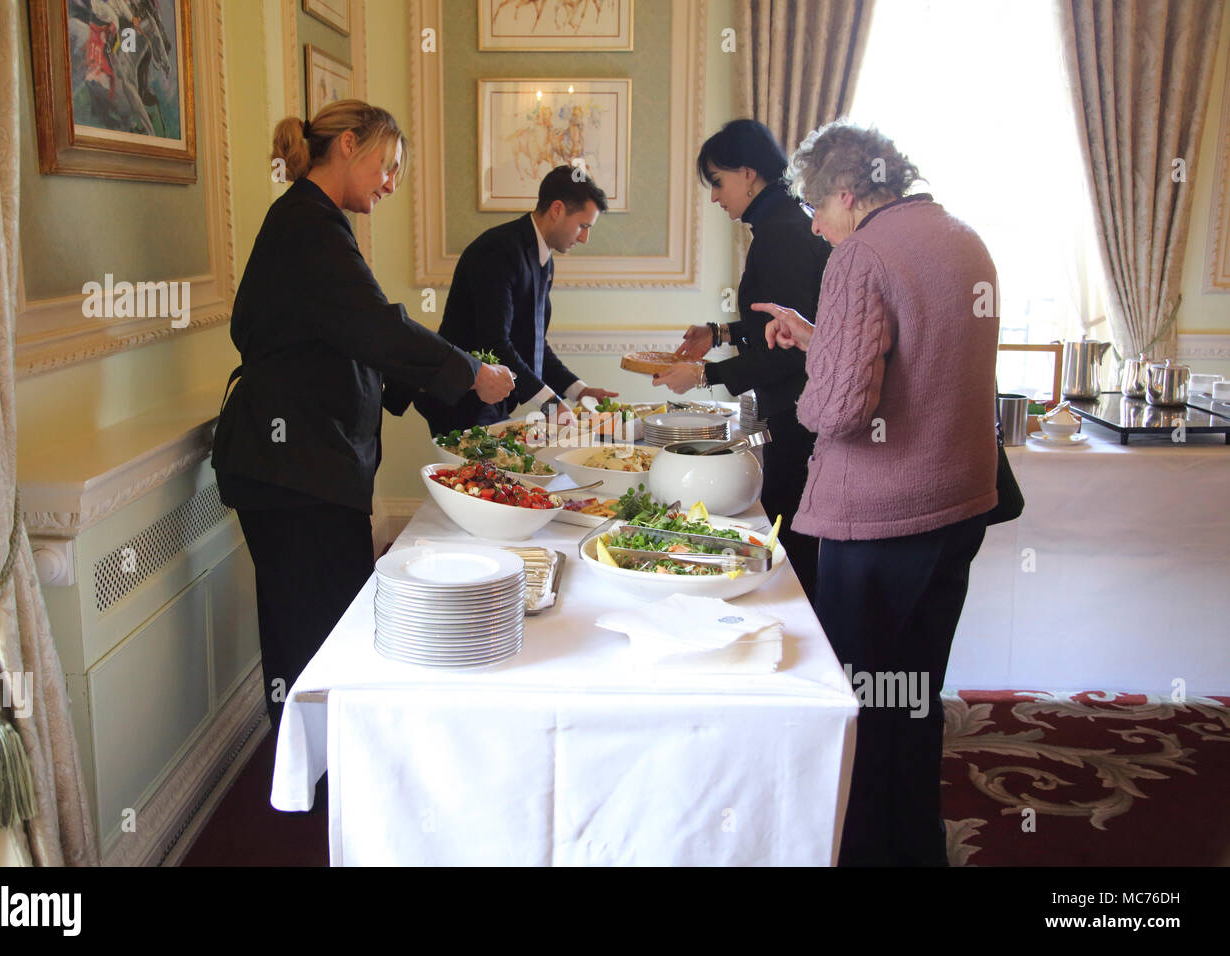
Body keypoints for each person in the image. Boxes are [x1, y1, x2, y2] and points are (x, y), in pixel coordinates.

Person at [210, 101, 515, 733]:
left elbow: (357, 338)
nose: (391, 183)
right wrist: (471, 374)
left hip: (300, 465)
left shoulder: (316, 220)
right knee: (317, 639)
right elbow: (378, 329)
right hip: (291, 469)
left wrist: (454, 397)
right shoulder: (307, 225)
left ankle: (320, 765)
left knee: (316, 630)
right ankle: (322, 772)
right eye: (388, 165)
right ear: (349, 145)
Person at [755, 121, 998, 867]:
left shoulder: (861, 252)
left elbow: (837, 410)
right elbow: (919, 355)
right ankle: (914, 846)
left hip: (881, 519)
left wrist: (810, 384)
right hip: (958, 505)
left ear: (847, 193)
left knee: (858, 701)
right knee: (914, 695)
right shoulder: (962, 237)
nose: (814, 227)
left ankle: (858, 851)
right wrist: (822, 338)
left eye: (815, 208)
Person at [652, 120, 830, 599]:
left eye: (717, 181)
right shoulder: (781, 222)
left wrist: (704, 374)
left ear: (748, 174)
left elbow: (790, 351)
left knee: (790, 546)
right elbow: (778, 320)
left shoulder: (782, 233)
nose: (714, 196)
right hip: (794, 410)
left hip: (801, 414)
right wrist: (720, 332)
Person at [414, 166, 620, 437]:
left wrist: (579, 391)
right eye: (583, 226)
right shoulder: (498, 250)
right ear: (557, 209)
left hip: (490, 401)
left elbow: (532, 343)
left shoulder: (542, 258)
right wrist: (551, 404)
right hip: (462, 401)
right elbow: (495, 342)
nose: (585, 238)